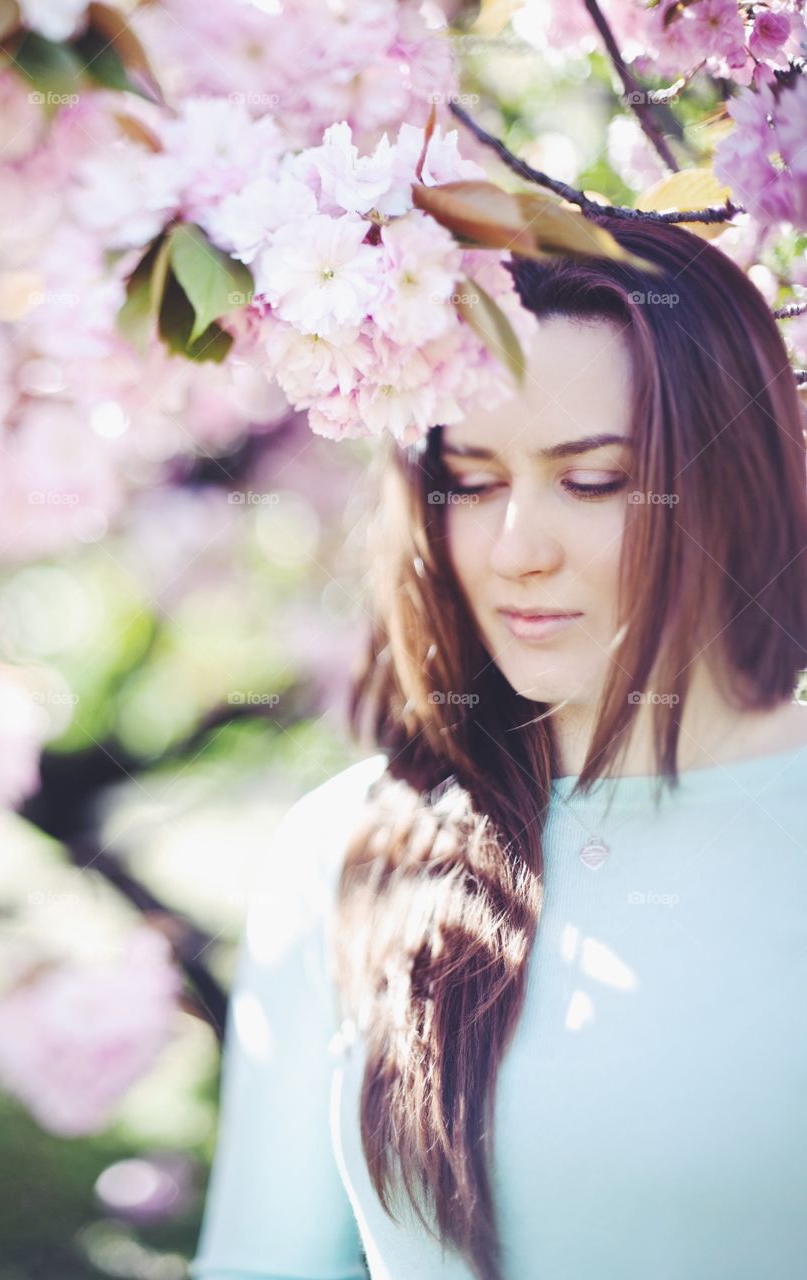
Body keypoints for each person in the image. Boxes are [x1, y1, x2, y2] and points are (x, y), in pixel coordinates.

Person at [190, 213, 807, 1280]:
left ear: (730, 472)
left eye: (595, 479)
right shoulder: (347, 846)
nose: (517, 548)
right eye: (472, 479)